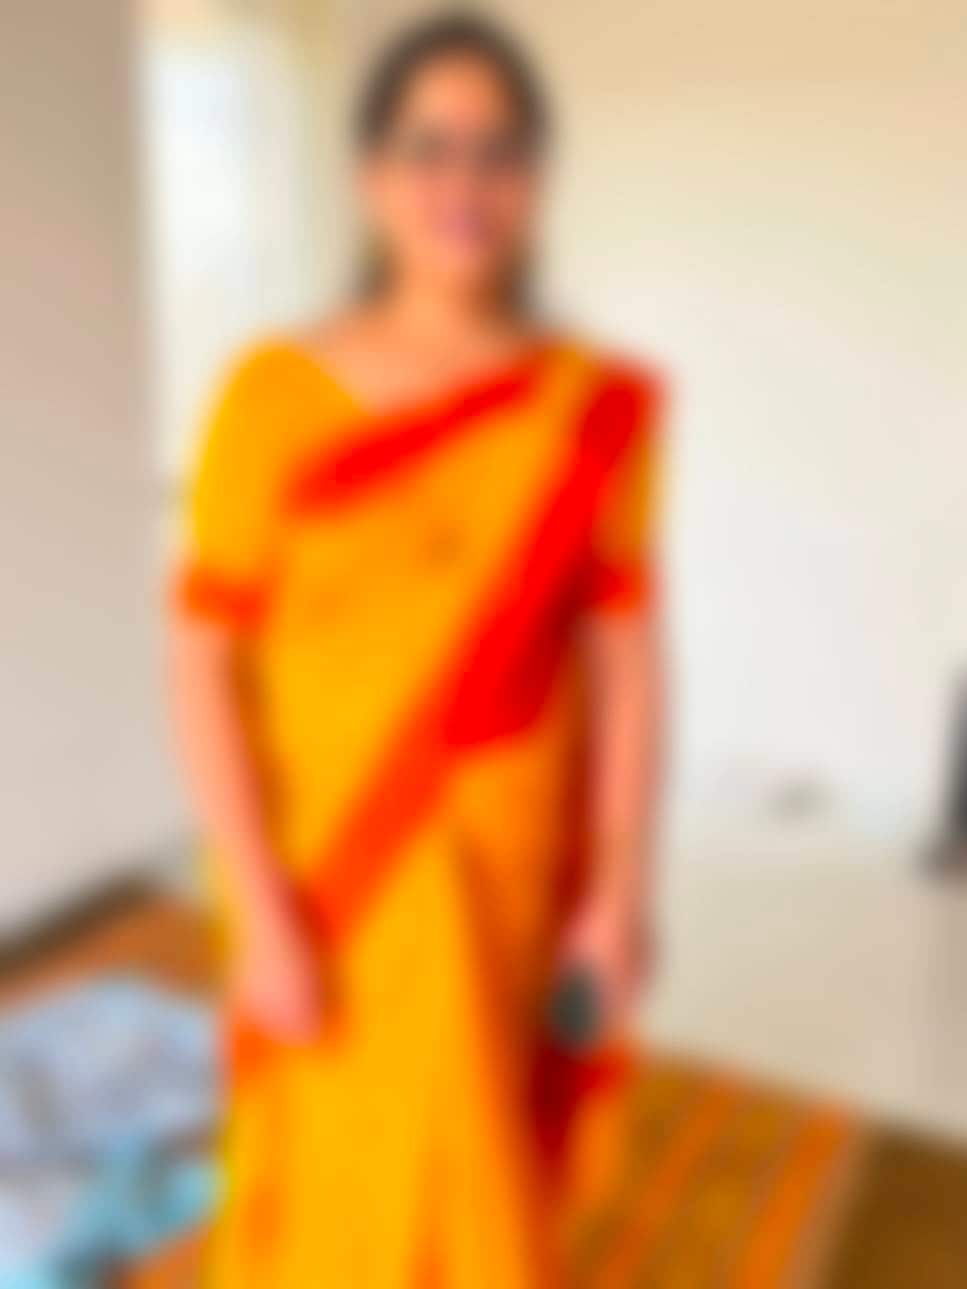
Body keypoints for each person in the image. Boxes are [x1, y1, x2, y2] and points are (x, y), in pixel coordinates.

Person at [169, 11, 665, 1286]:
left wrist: (615, 890)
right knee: (329, 1191)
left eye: (498, 151)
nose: (464, 183)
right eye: (429, 147)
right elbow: (201, 662)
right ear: (369, 176)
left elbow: (622, 658)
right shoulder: (270, 396)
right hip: (327, 875)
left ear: (534, 180)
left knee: (486, 1178)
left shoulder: (586, 409)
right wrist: (260, 911)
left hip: (506, 868)